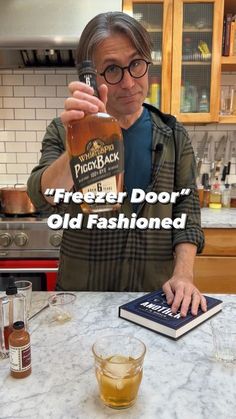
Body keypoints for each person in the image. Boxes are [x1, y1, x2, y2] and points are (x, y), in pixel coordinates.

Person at [27, 11, 206, 317]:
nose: (128, 82)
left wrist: (184, 275)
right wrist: (77, 144)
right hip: (82, 300)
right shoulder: (64, 131)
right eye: (112, 69)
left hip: (154, 299)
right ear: (91, 77)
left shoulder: (173, 135)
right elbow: (42, 198)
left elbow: (187, 213)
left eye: (136, 64)